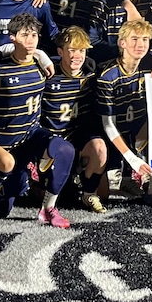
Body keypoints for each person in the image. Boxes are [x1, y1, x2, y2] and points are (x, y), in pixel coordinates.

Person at [0, 14, 76, 228]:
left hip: (30, 135)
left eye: (34, 35)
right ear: (12, 38)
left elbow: (74, 61)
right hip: (2, 142)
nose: (30, 40)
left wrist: (42, 55)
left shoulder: (43, 65)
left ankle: (48, 208)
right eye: (24, 35)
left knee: (65, 150)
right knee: (3, 209)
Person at [97, 17, 152, 210]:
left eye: (145, 40)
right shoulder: (108, 76)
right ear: (122, 43)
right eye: (134, 39)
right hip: (110, 134)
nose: (140, 44)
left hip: (137, 130)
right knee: (103, 194)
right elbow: (108, 125)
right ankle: (113, 175)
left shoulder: (149, 70)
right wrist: (132, 158)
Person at [43, 26, 110, 211]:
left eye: (81, 50)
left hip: (77, 137)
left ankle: (88, 194)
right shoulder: (47, 74)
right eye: (71, 50)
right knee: (47, 194)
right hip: (51, 139)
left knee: (100, 151)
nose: (76, 56)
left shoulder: (91, 75)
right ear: (60, 52)